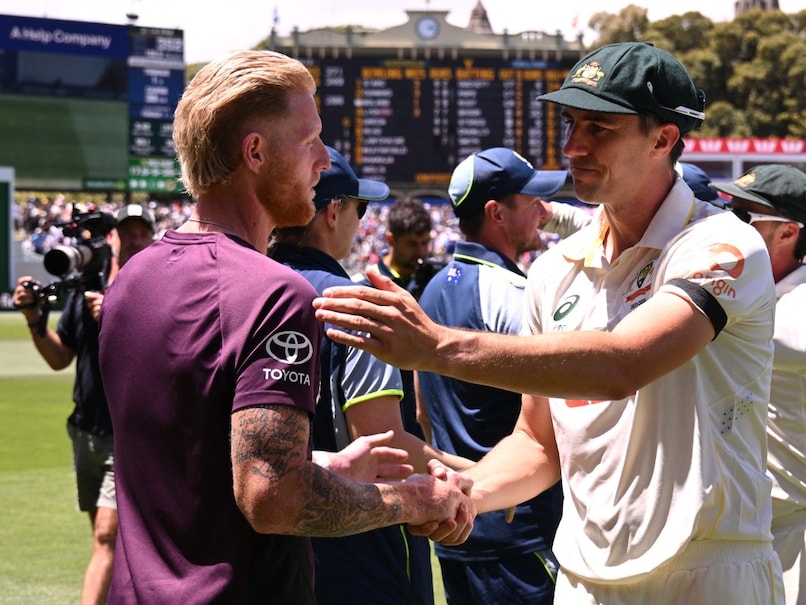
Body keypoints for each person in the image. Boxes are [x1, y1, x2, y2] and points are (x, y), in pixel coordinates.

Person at [312, 41, 785, 604]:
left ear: (663, 138)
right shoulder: (555, 269)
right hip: (584, 577)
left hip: (710, 575)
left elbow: (623, 364)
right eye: (570, 123)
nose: (572, 146)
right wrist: (467, 490)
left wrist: (436, 347)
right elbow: (539, 442)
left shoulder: (724, 244)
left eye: (600, 128)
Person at [96, 49, 472, 604]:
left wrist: (326, 464)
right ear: (255, 152)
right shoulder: (273, 292)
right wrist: (412, 500)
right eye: (310, 140)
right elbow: (273, 497)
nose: (323, 161)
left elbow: (190, 458)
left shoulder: (133, 279)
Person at [271, 145, 473, 605]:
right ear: (334, 210)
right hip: (360, 550)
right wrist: (475, 477)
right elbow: (385, 446)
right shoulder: (354, 303)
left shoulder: (248, 290)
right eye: (360, 208)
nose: (362, 221)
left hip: (269, 550)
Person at [415, 147, 565, 605]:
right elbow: (553, 413)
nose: (543, 210)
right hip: (519, 526)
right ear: (496, 213)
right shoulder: (512, 294)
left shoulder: (434, 286)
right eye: (530, 200)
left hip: (462, 524)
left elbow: (423, 410)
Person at [11, 202, 155, 605]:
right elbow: (60, 357)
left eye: (142, 234)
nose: (134, 241)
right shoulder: (86, 286)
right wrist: (32, 317)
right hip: (85, 430)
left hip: (127, 435)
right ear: (112, 237)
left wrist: (117, 315)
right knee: (107, 538)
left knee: (106, 536)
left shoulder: (158, 289)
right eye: (127, 233)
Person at [710, 164, 806, 605]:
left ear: (788, 232)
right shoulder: (765, 291)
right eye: (727, 210)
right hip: (751, 523)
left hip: (792, 531)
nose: (729, 226)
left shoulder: (795, 313)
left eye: (745, 217)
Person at [359, 196, 437, 440]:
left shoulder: (434, 280)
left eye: (425, 243)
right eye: (413, 244)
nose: (421, 252)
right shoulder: (369, 285)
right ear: (392, 240)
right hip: (390, 402)